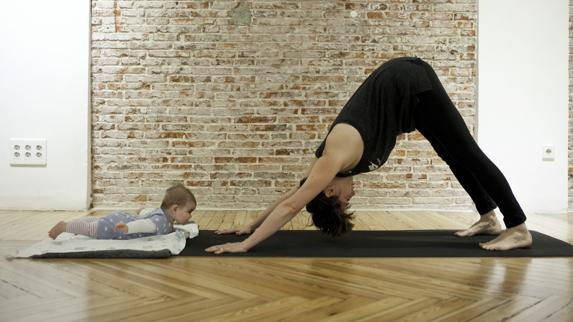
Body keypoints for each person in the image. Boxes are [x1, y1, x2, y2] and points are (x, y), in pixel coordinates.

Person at [205, 56, 533, 254]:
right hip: (410, 102)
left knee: (469, 154)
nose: (352, 196)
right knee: (453, 155)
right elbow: (292, 194)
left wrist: (245, 246)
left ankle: (517, 226)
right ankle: (489, 218)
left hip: (411, 83)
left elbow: (291, 206)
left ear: (329, 191)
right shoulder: (324, 170)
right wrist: (249, 224)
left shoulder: (334, 158)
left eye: (345, 201)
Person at [48, 184, 196, 240]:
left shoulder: (161, 214)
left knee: (94, 222)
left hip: (121, 218)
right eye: (189, 211)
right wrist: (128, 228)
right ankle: (65, 227)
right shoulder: (160, 221)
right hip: (118, 227)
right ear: (174, 209)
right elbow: (144, 224)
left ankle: (73, 225)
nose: (190, 215)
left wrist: (141, 210)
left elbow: (147, 211)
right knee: (93, 229)